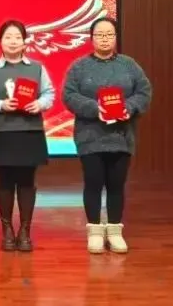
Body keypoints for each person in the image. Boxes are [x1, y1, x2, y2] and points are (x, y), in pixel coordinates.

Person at [62, 17, 152, 254]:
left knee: (116, 185)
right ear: (91, 38)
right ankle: (94, 231)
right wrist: (96, 108)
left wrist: (128, 107)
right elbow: (69, 95)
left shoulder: (129, 65)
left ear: (115, 37)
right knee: (93, 183)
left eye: (109, 34)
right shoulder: (79, 67)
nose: (104, 39)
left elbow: (144, 92)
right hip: (90, 136)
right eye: (100, 35)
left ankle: (114, 231)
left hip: (121, 136)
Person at [0, 20, 55, 252]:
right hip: (2, 132)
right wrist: (0, 104)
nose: (13, 41)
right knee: (5, 181)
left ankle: (25, 231)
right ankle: (7, 230)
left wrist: (39, 104)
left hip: (30, 131)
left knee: (28, 181)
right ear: (0, 42)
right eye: (8, 37)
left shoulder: (37, 68)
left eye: (17, 37)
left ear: (24, 42)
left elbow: (49, 93)